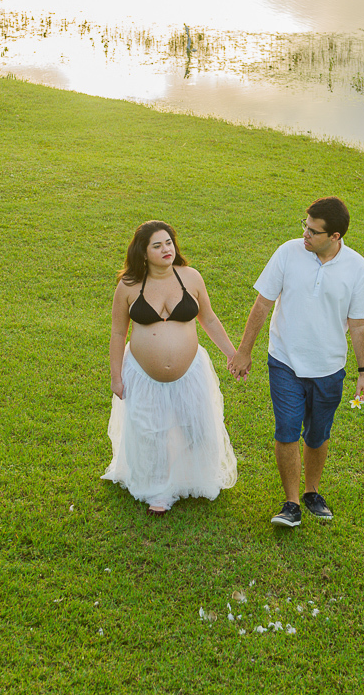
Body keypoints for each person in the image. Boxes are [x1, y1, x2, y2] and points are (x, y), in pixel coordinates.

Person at [228, 197, 364, 528]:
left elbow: (359, 324)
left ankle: (312, 492)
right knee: (287, 429)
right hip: (285, 362)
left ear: (335, 236)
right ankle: (291, 502)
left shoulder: (357, 268)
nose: (305, 235)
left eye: (313, 231)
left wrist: (363, 372)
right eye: (305, 227)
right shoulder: (288, 253)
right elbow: (262, 305)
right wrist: (244, 351)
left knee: (318, 434)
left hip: (329, 368)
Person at [103, 220, 239, 515]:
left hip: (191, 371)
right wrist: (116, 375)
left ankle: (190, 478)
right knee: (151, 432)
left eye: (169, 242)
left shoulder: (190, 277)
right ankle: (159, 490)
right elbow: (117, 332)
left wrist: (233, 354)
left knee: (196, 428)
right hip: (141, 373)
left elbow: (210, 319)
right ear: (143, 253)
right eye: (157, 245)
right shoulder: (128, 286)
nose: (166, 249)